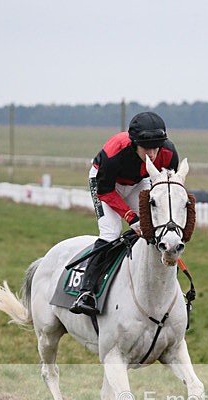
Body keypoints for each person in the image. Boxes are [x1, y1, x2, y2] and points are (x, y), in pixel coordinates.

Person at [70, 111, 179, 315]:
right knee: (111, 232)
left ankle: (165, 290)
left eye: (156, 148)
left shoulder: (169, 154)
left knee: (157, 231)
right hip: (106, 184)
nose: (153, 154)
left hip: (138, 182)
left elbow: (165, 190)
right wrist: (130, 217)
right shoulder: (115, 152)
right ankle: (86, 291)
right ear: (134, 144)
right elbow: (105, 191)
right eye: (146, 149)